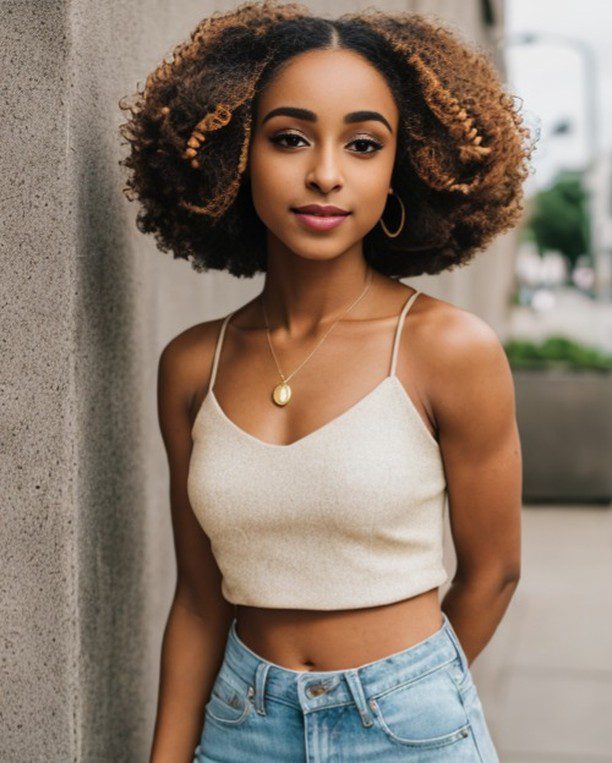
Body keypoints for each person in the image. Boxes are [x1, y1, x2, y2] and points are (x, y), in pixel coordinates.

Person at [119, 1, 532, 760]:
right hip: (241, 723)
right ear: (234, 158)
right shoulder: (191, 364)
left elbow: (494, 573)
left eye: (364, 144)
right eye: (289, 138)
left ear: (402, 168)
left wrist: (403, 700)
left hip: (407, 727)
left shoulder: (448, 348)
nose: (325, 174)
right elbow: (200, 599)